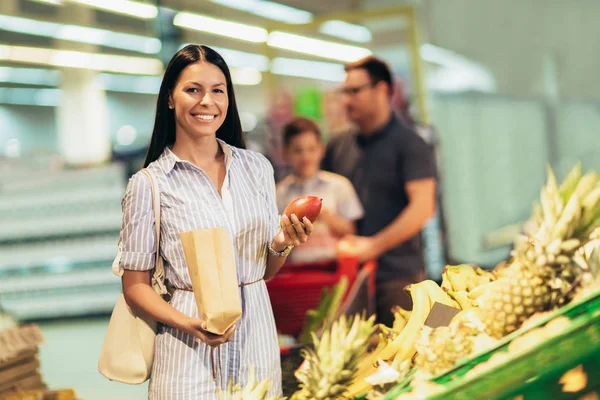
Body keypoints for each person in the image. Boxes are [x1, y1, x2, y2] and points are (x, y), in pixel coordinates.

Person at [117, 44, 313, 399]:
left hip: (256, 347)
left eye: (217, 91)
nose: (207, 101)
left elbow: (264, 271)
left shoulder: (256, 169)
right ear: (170, 99)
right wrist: (189, 323)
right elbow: (135, 287)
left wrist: (283, 241)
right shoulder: (149, 185)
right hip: (187, 358)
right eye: (193, 90)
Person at [322, 56, 437, 327]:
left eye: (355, 91)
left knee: (405, 356)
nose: (346, 101)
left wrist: (373, 246)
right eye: (344, 92)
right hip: (345, 277)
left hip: (398, 279)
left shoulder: (410, 145)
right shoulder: (338, 146)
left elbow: (423, 208)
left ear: (383, 90)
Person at [276, 117, 363, 264]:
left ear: (321, 150)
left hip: (334, 267)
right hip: (294, 270)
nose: (305, 157)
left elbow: (352, 232)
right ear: (285, 153)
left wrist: (325, 216)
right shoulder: (279, 192)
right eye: (298, 151)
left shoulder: (340, 185)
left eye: (311, 149)